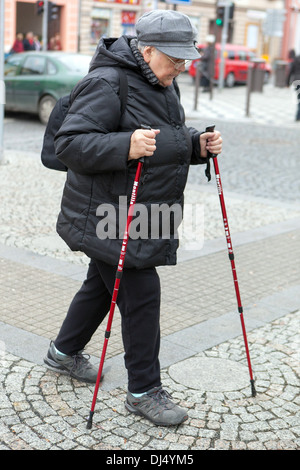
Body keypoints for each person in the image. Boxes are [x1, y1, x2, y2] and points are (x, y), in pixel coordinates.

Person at [44, 9, 223, 426]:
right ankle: (143, 391)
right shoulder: (108, 82)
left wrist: (196, 145)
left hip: (141, 210)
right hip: (107, 212)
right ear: (146, 50)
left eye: (185, 59)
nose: (181, 67)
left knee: (101, 286)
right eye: (174, 58)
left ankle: (63, 352)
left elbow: (160, 140)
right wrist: (125, 144)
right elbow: (70, 144)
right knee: (141, 293)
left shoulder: (161, 83)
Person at [287, 53, 300, 121]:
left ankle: (298, 116)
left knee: (299, 99)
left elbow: (291, 71)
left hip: (297, 81)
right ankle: (298, 115)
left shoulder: (296, 59)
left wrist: (287, 83)